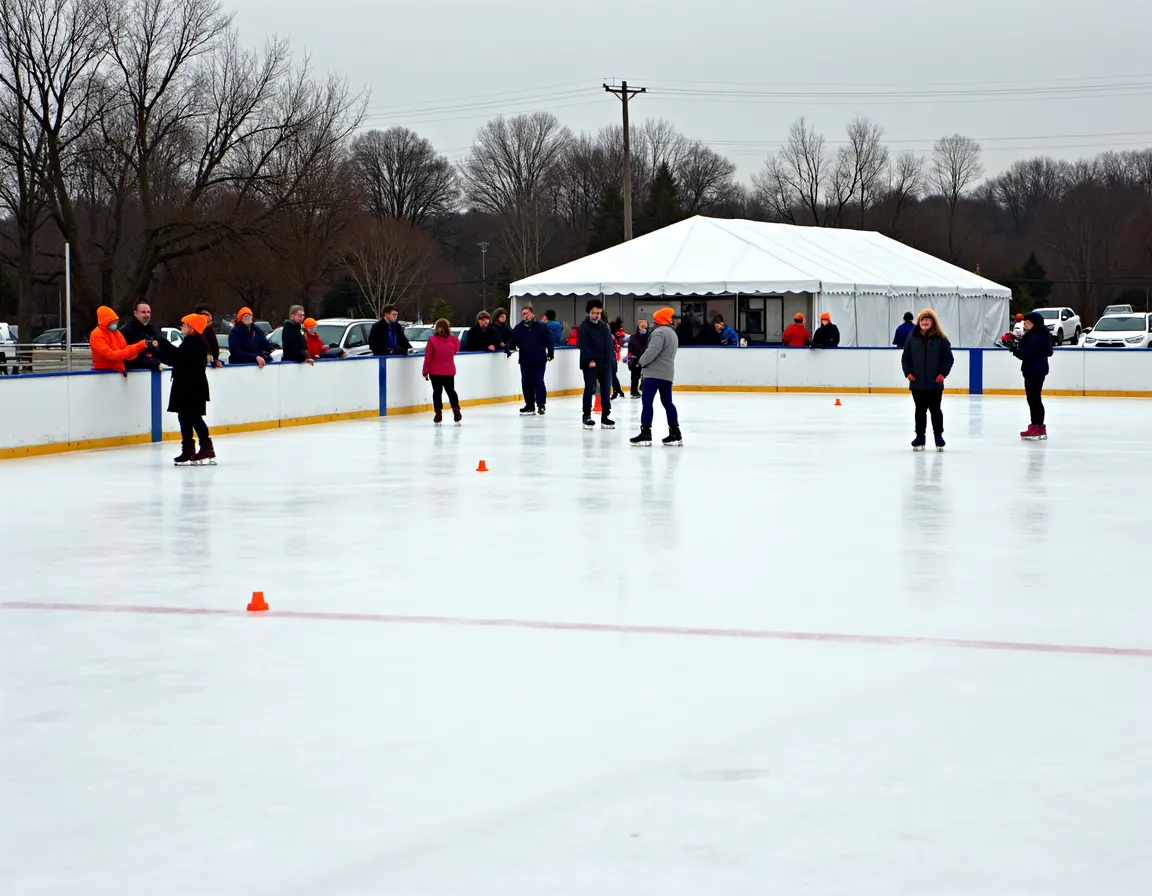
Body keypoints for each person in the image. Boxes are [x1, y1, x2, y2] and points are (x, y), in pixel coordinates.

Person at [153, 313, 214, 465]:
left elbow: (176, 359)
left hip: (191, 386)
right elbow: (179, 355)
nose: (182, 327)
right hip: (188, 385)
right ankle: (188, 449)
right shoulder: (192, 342)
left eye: (184, 325)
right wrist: (164, 344)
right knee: (185, 417)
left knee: (193, 417)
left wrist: (158, 350)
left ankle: (206, 447)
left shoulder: (195, 344)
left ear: (191, 328)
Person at [901, 309, 954, 451]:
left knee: (935, 410)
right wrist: (908, 372)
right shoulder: (912, 338)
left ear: (933, 322)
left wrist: (943, 374)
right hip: (917, 382)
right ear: (918, 322)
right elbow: (906, 358)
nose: (925, 323)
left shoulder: (941, 339)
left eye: (928, 321)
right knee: (920, 410)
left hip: (935, 383)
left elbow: (948, 359)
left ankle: (938, 436)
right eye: (922, 321)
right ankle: (920, 436)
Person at [632, 307, 681, 446]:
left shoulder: (659, 333)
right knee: (667, 402)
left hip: (653, 374)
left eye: (655, 320)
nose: (653, 323)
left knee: (647, 401)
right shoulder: (672, 333)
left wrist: (639, 363)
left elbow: (652, 352)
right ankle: (675, 431)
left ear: (660, 320)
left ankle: (646, 431)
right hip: (667, 374)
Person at [1012, 311, 1054, 440]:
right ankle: (1036, 425)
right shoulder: (1038, 335)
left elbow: (1025, 354)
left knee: (1034, 399)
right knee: (1033, 399)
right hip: (1035, 370)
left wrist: (1012, 349)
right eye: (1025, 323)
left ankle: (1038, 426)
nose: (1025, 325)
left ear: (1035, 324)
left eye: (1028, 323)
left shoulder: (1035, 337)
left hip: (1034, 371)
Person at [506, 304, 554, 415]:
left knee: (538, 380)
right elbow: (513, 342)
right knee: (526, 382)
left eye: (527, 314)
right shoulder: (518, 328)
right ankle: (529, 404)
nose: (525, 316)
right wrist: (508, 348)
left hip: (539, 359)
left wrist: (551, 353)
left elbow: (548, 341)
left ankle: (541, 404)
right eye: (523, 314)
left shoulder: (541, 327)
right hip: (525, 360)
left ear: (532, 314)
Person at [577, 298, 616, 430]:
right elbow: (584, 345)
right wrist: (590, 360)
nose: (597, 316)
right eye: (594, 313)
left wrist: (610, 359)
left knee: (606, 389)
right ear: (589, 312)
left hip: (605, 363)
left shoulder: (604, 326)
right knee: (590, 388)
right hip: (591, 364)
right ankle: (586, 415)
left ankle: (605, 416)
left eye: (599, 313)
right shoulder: (584, 327)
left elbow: (609, 344)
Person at [422, 318, 462, 426]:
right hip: (449, 370)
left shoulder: (432, 340)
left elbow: (428, 357)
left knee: (437, 392)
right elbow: (456, 350)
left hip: (435, 371)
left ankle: (438, 414)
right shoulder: (454, 340)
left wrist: (425, 371)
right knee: (451, 391)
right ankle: (456, 411)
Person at [90, 306, 148, 375]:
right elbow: (112, 355)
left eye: (116, 322)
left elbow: (126, 352)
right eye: (113, 322)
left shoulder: (116, 333)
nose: (115, 325)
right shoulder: (96, 335)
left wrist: (142, 349)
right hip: (103, 373)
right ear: (105, 322)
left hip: (118, 371)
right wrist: (138, 346)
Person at [121, 302, 161, 371]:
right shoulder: (127, 331)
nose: (147, 315)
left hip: (151, 373)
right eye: (143, 312)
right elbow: (127, 356)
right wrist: (150, 363)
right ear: (135, 313)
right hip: (133, 373)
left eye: (149, 312)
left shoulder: (153, 330)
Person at [627, 319, 650, 398]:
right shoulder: (633, 337)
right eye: (641, 325)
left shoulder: (650, 336)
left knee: (646, 375)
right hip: (636, 358)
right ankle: (634, 391)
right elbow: (630, 349)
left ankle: (643, 388)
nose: (643, 327)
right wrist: (629, 359)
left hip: (646, 358)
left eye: (645, 325)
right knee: (635, 376)